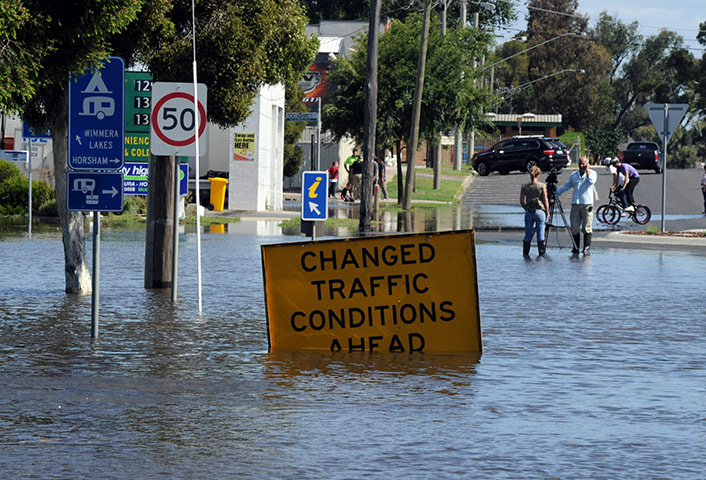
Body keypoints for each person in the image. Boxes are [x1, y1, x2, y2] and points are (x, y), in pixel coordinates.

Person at [555, 156, 597, 256]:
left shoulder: (592, 173)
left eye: (584, 164)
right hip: (575, 204)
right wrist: (556, 192)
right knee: (574, 227)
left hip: (587, 204)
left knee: (586, 227)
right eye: (581, 163)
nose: (582, 166)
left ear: (588, 164)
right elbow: (567, 185)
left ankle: (586, 248)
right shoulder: (574, 175)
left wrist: (587, 171)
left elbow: (591, 181)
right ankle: (576, 247)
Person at [519, 166, 551, 257]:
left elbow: (521, 201)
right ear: (538, 174)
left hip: (529, 211)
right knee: (540, 235)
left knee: (527, 235)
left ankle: (525, 254)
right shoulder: (541, 186)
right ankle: (541, 254)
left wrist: (526, 208)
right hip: (539, 211)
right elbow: (545, 200)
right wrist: (547, 212)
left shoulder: (525, 186)